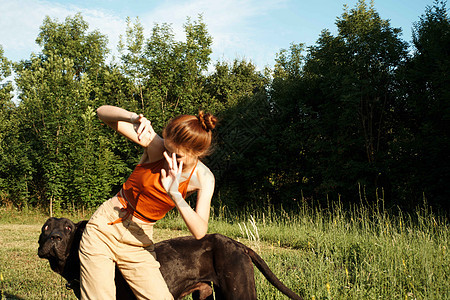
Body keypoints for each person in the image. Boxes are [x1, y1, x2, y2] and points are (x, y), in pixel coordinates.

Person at [79, 105, 217, 299]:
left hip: (138, 241)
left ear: (197, 152)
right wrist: (133, 117)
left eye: (177, 156)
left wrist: (175, 194)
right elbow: (102, 113)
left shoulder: (204, 178)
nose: (168, 157)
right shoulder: (158, 147)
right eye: (167, 149)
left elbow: (200, 230)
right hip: (104, 227)